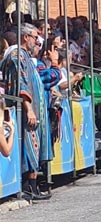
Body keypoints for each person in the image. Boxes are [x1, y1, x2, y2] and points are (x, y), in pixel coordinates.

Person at [0, 23, 60, 200]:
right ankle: (27, 186)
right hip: (25, 111)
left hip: (33, 110)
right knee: (28, 147)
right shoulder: (16, 55)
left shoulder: (25, 56)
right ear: (25, 37)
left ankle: (33, 186)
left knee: (34, 146)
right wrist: (28, 109)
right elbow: (21, 83)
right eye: (35, 37)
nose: (37, 41)